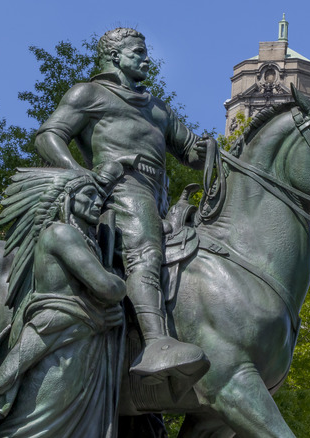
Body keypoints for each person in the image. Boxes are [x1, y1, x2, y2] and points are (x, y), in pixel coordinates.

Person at [34, 28, 210, 382]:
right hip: (119, 187)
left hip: (158, 193)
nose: (147, 59)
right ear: (116, 56)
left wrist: (210, 150)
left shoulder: (157, 108)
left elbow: (190, 151)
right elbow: (48, 135)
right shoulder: (89, 93)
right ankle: (157, 342)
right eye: (139, 52)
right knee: (144, 248)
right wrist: (79, 174)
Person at [0, 167, 126, 437]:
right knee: (39, 421)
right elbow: (107, 287)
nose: (98, 202)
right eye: (89, 195)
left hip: (80, 337)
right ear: (67, 198)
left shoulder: (87, 241)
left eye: (99, 197)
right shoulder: (61, 233)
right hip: (57, 336)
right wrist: (120, 282)